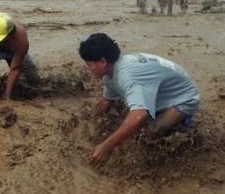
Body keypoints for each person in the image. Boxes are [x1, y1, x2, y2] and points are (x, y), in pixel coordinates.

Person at [78, 33, 200, 165]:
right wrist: (88, 118)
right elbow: (107, 101)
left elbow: (139, 115)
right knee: (128, 120)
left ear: (103, 62)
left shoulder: (128, 76)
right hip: (165, 92)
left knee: (149, 133)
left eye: (90, 64)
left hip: (184, 98)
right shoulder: (111, 72)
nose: (89, 69)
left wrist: (107, 146)